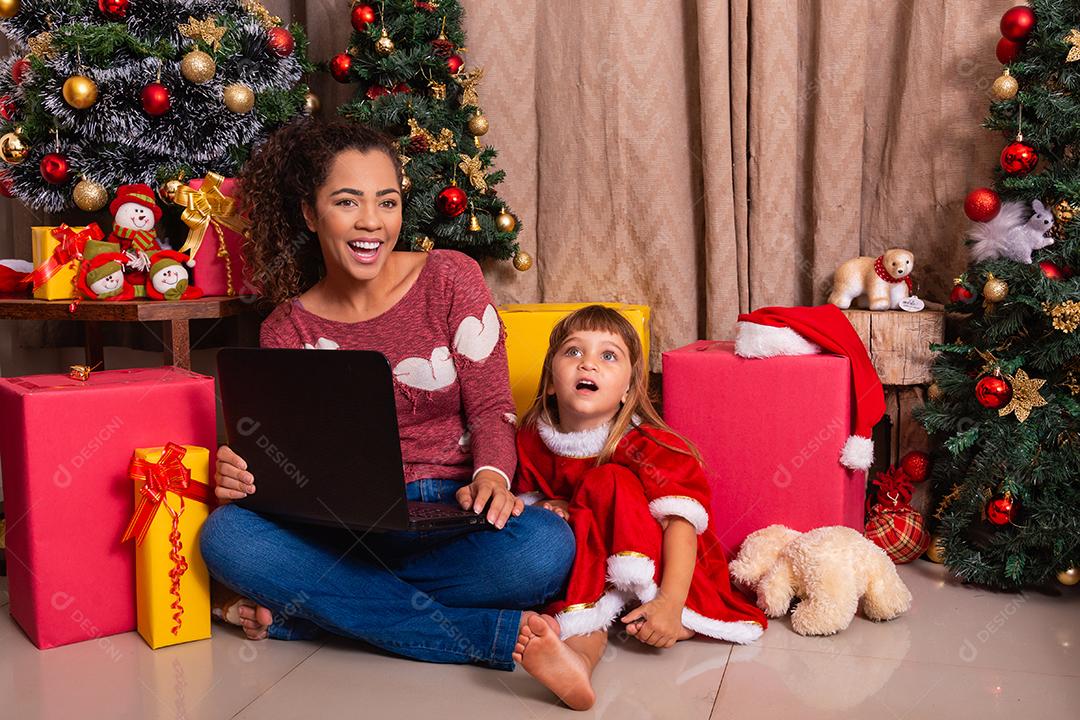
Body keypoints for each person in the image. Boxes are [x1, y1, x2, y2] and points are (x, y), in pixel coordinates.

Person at [198, 117, 574, 671]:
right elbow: (294, 459)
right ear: (310, 214)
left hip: (452, 513)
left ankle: (320, 614)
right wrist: (245, 471)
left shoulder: (451, 277)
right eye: (347, 202)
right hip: (346, 528)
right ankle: (477, 635)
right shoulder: (286, 328)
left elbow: (492, 407)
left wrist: (492, 476)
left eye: (387, 202)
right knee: (227, 537)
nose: (371, 221)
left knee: (545, 547)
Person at [511, 305, 766, 709]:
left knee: (607, 480)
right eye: (573, 351)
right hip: (596, 573)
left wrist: (670, 601)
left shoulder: (649, 445)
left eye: (608, 355)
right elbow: (529, 501)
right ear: (552, 382)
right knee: (581, 599)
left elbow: (682, 524)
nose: (588, 364)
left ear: (628, 389)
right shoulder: (531, 440)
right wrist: (550, 505)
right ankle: (578, 661)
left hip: (671, 570)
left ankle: (674, 622)